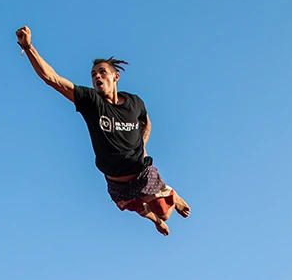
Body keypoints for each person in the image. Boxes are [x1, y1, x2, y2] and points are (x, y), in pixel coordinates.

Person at [16, 26, 192, 237]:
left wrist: (142, 145)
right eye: (93, 75)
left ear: (115, 77)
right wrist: (28, 47)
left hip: (141, 172)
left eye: (102, 72)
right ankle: (153, 219)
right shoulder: (91, 101)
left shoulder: (134, 102)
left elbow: (146, 122)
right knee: (137, 208)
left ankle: (169, 194)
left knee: (164, 212)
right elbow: (52, 78)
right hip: (115, 180)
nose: (97, 77)